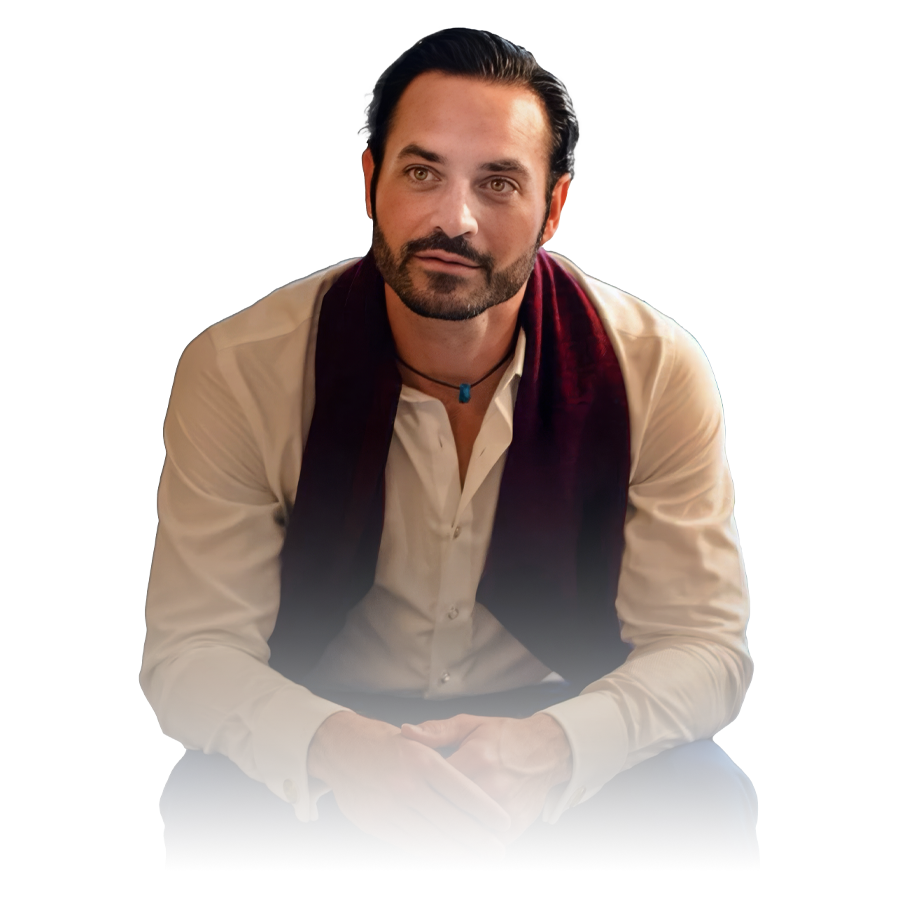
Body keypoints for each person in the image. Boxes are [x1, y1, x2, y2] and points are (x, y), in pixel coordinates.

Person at [141, 27, 759, 870]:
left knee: (699, 793)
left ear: (554, 206)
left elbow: (704, 648)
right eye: (421, 173)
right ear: (369, 180)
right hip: (330, 735)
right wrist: (336, 747)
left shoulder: (655, 368)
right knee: (214, 797)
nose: (453, 220)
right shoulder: (241, 368)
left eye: (498, 182)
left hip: (554, 730)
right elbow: (192, 654)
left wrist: (556, 746)